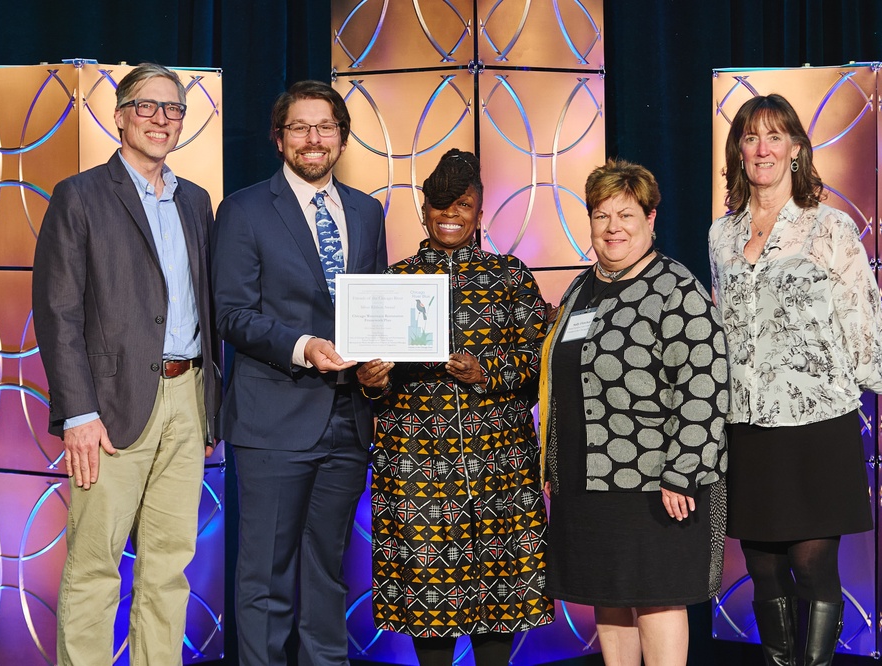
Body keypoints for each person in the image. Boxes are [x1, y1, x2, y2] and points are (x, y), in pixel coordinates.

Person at [32, 63, 220, 665]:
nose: (161, 119)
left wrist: (208, 403)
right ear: (118, 116)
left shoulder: (196, 201)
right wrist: (78, 413)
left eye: (173, 109)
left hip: (186, 398)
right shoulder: (80, 195)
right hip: (108, 410)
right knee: (94, 567)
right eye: (147, 106)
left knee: (169, 568)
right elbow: (57, 312)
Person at [709, 93, 882, 666]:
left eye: (774, 136)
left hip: (818, 421)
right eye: (750, 137)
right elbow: (723, 322)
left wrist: (865, 382)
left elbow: (861, 311)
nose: (762, 148)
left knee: (813, 565)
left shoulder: (830, 226)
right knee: (763, 566)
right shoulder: (721, 235)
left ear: (795, 149)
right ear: (739, 150)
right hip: (750, 420)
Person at [212, 80, 387, 666]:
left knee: (326, 574)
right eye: (300, 128)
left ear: (341, 136)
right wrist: (303, 345)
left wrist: (380, 359)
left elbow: (373, 304)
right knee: (264, 579)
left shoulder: (367, 210)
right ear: (279, 138)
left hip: (348, 420)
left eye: (325, 127)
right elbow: (231, 313)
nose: (314, 139)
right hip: (274, 420)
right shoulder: (243, 209)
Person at [356, 148, 553, 665]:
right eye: (440, 205)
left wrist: (486, 372)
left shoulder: (512, 277)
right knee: (428, 596)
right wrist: (371, 382)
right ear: (423, 210)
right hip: (416, 462)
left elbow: (543, 364)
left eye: (462, 204)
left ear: (480, 210)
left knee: (500, 592)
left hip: (499, 465)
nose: (450, 216)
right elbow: (370, 383)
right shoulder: (392, 283)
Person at [539, 158, 728, 666]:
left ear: (650, 219)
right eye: (602, 216)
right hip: (586, 480)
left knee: (656, 595)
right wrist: (555, 465)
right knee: (610, 594)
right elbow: (562, 386)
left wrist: (682, 473)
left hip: (657, 483)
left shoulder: (678, 290)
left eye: (626, 214)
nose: (613, 228)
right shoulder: (580, 289)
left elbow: (703, 387)